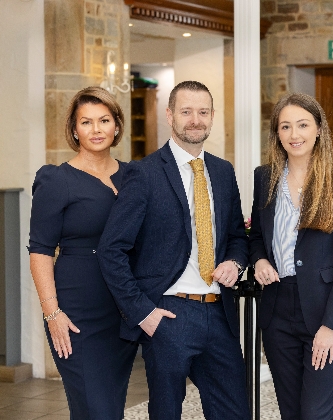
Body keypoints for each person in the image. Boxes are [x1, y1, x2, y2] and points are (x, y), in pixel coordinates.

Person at [97, 80, 250, 420]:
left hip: (219, 313)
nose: (195, 120)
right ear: (169, 115)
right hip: (168, 314)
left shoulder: (223, 172)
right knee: (167, 413)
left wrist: (235, 262)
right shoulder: (145, 173)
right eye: (186, 111)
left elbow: (238, 235)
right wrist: (143, 313)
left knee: (234, 411)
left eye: (203, 112)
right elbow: (111, 250)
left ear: (211, 117)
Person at [249, 92, 333, 420]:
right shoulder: (265, 177)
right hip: (277, 310)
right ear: (277, 134)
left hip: (325, 308)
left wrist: (332, 325)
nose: (294, 134)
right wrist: (259, 260)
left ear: (318, 129)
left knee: (315, 412)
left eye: (302, 125)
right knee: (291, 411)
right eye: (285, 127)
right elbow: (256, 236)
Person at [28, 86, 138, 420]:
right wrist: (52, 313)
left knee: (108, 409)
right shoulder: (56, 180)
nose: (96, 129)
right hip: (77, 311)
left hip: (123, 308)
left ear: (116, 126)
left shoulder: (134, 175)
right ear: (75, 130)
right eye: (86, 122)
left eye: (104, 120)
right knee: (96, 408)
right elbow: (40, 250)